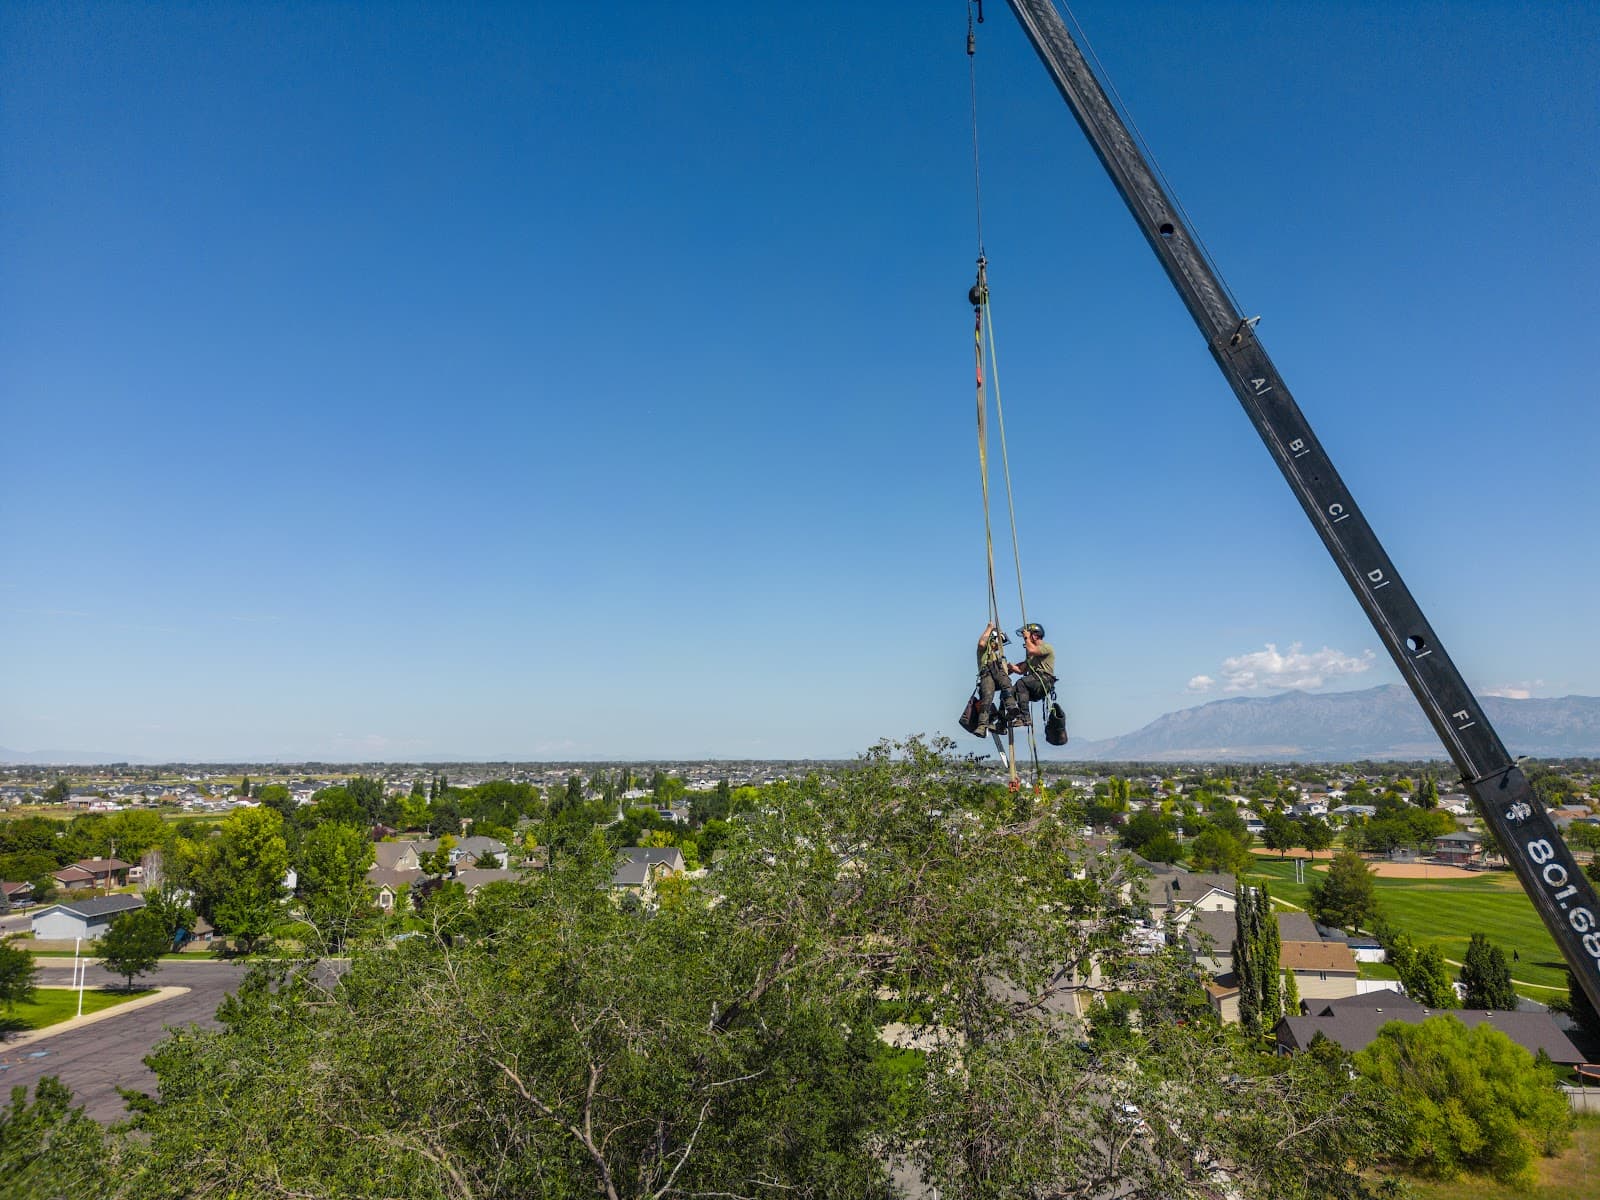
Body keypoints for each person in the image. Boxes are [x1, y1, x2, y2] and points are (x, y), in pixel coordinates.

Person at [1007, 622, 1056, 726]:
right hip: (1034, 681)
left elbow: (1032, 650)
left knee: (1021, 683)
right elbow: (1021, 670)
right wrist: (1010, 667)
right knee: (1009, 693)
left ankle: (1025, 717)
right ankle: (1003, 720)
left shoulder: (1046, 647)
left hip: (1044, 680)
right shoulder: (1031, 655)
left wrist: (1026, 638)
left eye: (1029, 636)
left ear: (1035, 635)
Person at [974, 622, 1016, 735]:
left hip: (997, 678)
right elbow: (982, 643)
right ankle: (983, 724)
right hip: (987, 676)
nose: (999, 647)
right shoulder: (984, 651)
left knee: (1007, 690)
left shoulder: (998, 656)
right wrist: (989, 628)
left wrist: (1009, 671)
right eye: (999, 643)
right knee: (987, 697)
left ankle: (1004, 719)